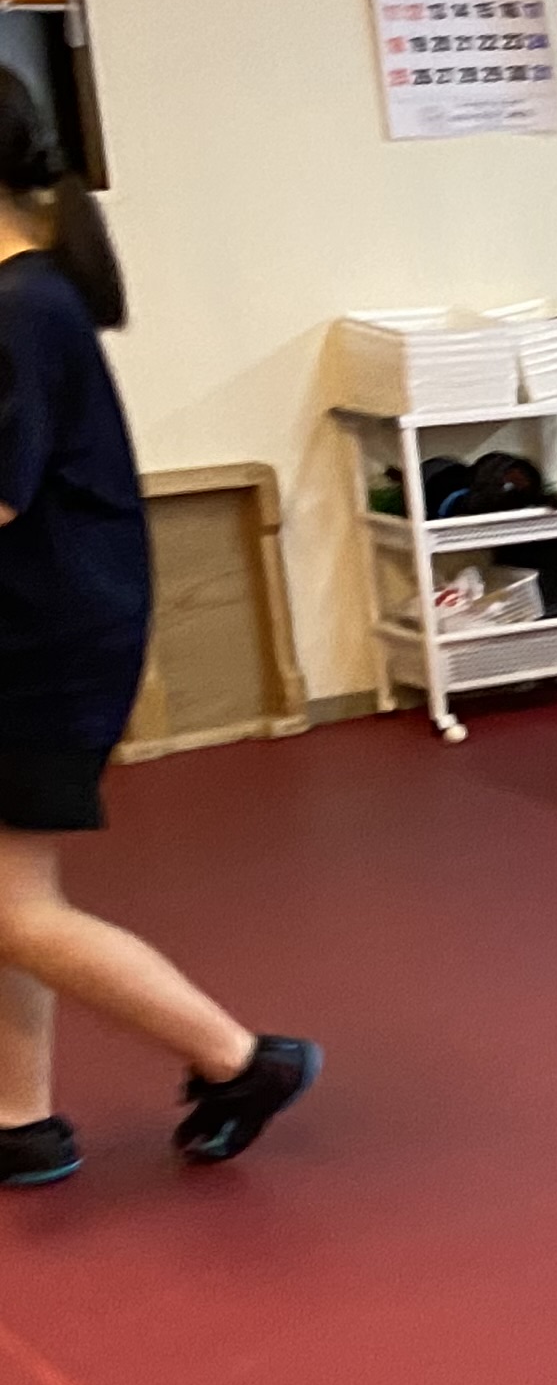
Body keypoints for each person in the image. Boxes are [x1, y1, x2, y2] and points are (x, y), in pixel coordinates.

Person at [0, 72, 315, 1188]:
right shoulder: (29, 295)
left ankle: (239, 1059)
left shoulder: (18, 308)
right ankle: (21, 1119)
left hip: (35, 643)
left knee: (11, 907)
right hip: (43, 626)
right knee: (12, 896)